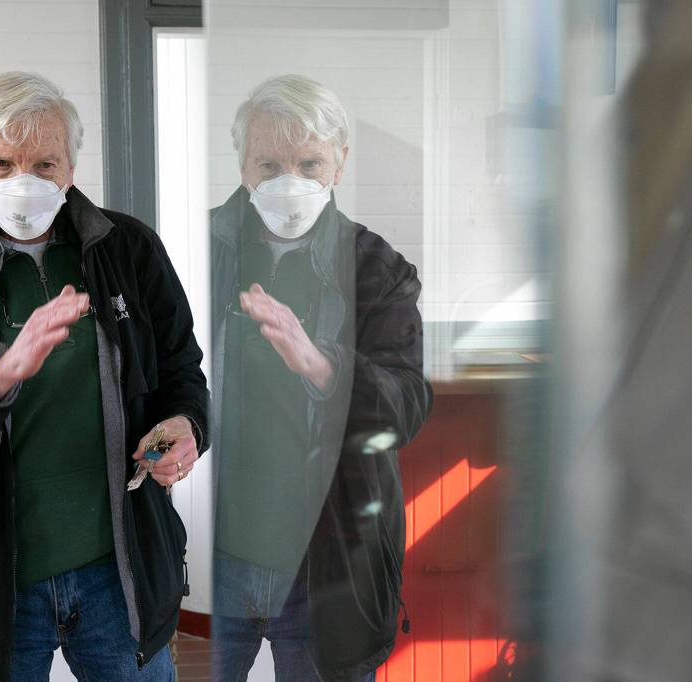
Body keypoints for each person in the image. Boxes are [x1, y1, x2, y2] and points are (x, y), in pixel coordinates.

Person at [0, 72, 209, 682]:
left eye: (45, 164)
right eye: (1, 163)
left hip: (118, 573)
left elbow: (183, 370)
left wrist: (186, 426)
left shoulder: (129, 250)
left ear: (72, 165)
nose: (23, 183)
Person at [210, 74, 433, 681]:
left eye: (309, 163)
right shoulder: (194, 247)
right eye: (269, 162)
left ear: (340, 163)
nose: (290, 182)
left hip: (326, 561)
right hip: (215, 556)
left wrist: (322, 363)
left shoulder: (376, 269)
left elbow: (408, 405)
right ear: (241, 164)